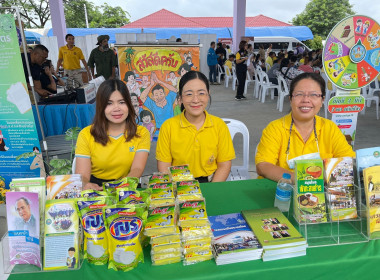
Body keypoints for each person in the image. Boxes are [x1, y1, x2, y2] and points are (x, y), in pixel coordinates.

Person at [255, 72, 355, 183]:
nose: (306, 100)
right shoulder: (275, 128)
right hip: (282, 192)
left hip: (321, 192)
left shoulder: (330, 128)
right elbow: (263, 166)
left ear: (322, 100)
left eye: (313, 95)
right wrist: (301, 180)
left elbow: (348, 161)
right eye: (299, 94)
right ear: (290, 99)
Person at [156, 71, 235, 183]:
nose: (195, 100)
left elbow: (224, 165)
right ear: (180, 98)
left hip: (211, 181)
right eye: (189, 94)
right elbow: (164, 167)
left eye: (201, 93)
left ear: (208, 94)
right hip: (178, 184)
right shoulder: (168, 127)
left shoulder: (219, 126)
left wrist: (212, 189)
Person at [75, 79, 150, 190]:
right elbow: (83, 176)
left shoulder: (141, 133)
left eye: (122, 102)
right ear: (101, 107)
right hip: (97, 188)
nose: (117, 109)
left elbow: (137, 169)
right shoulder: (86, 134)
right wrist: (86, 185)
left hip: (127, 185)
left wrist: (124, 185)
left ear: (129, 104)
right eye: (109, 103)